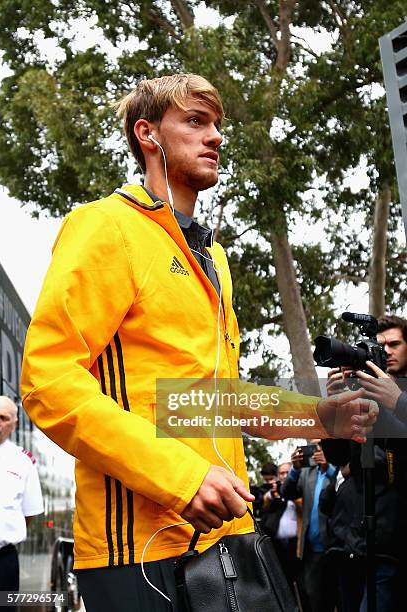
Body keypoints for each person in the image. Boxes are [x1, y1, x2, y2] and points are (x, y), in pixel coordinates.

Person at [20, 73, 377, 612]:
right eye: (195, 121)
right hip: (136, 550)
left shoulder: (216, 261)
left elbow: (208, 401)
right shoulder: (106, 226)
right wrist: (182, 478)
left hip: (226, 539)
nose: (215, 136)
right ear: (149, 134)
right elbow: (48, 382)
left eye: (217, 125)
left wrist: (319, 416)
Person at [323, 314, 407, 612]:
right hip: (355, 543)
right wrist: (334, 403)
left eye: (395, 344)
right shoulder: (360, 393)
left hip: (394, 545)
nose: (387, 352)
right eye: (380, 345)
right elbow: (338, 458)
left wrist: (395, 400)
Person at [281, 441, 338, 612]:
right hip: (312, 551)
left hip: (336, 547)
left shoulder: (338, 467)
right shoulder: (307, 472)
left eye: (320, 445)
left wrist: (328, 467)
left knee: (339, 599)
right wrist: (295, 469)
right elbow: (287, 493)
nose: (317, 450)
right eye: (313, 446)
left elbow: (342, 488)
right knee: (315, 600)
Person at [0, 396, 44, 593]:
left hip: (3, 560)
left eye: (3, 418)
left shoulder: (22, 461)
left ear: (14, 424)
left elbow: (30, 512)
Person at [261, 461, 300, 593]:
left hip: (296, 544)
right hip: (277, 545)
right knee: (282, 582)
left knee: (299, 582)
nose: (284, 476)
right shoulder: (274, 491)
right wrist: (274, 494)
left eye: (287, 472)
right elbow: (264, 503)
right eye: (281, 473)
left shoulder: (299, 488)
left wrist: (288, 493)